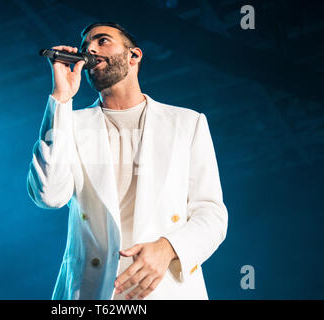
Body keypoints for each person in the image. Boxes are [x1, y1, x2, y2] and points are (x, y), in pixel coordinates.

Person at [27, 22, 228, 300]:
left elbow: (211, 213)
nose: (90, 49)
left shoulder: (187, 123)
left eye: (102, 41)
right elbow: (48, 195)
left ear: (134, 56)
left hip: (164, 288)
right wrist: (61, 98)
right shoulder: (69, 123)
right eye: (86, 47)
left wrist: (169, 247)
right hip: (92, 291)